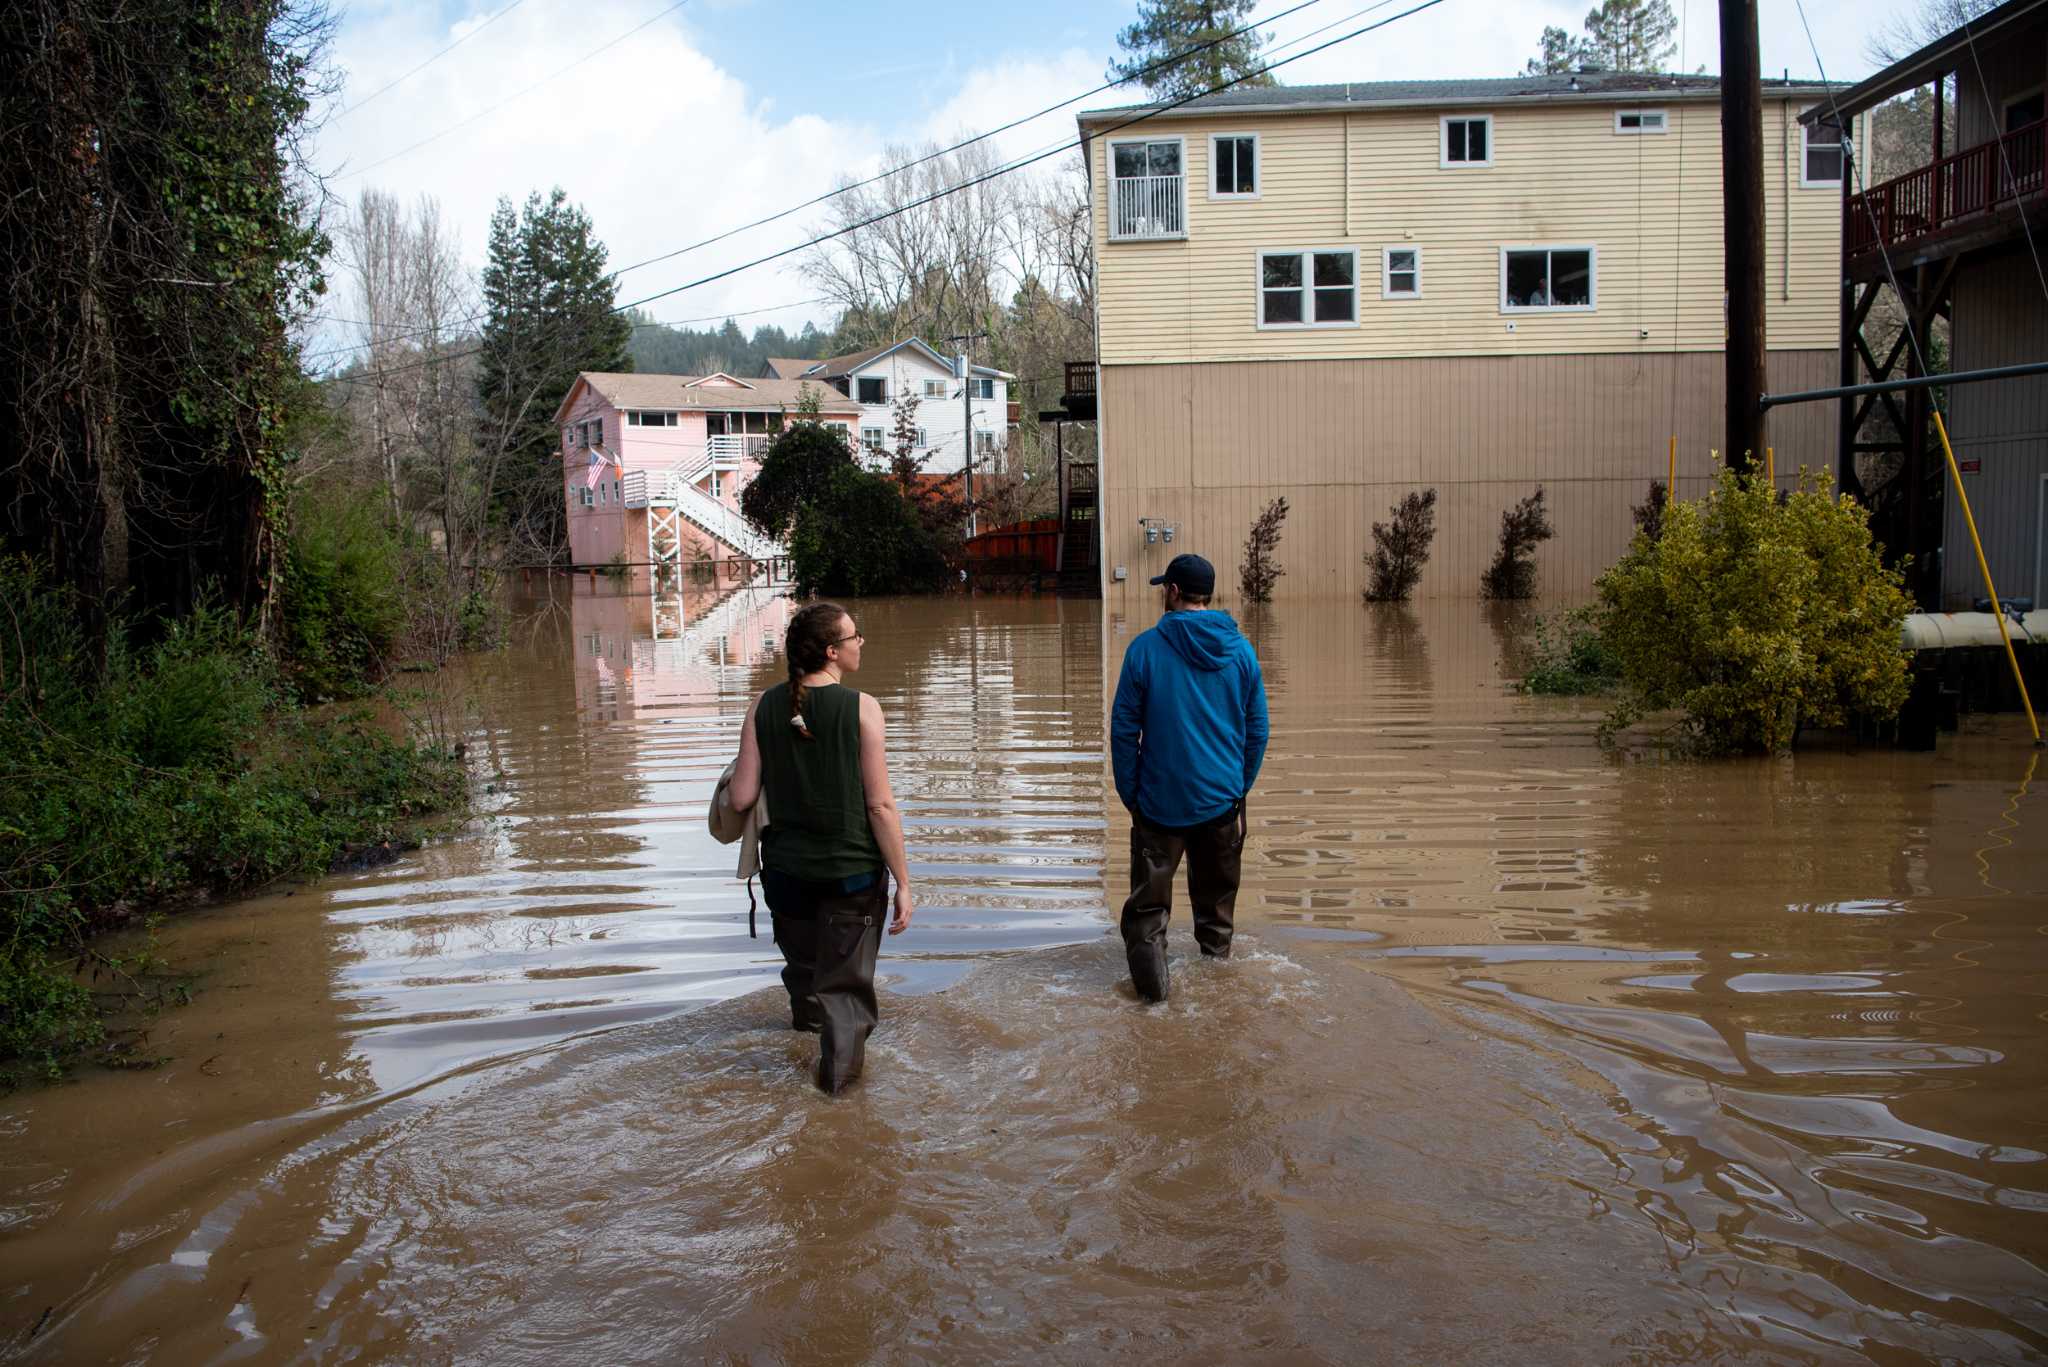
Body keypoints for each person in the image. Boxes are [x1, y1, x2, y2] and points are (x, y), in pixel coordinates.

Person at [727, 602, 913, 1092]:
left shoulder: (763, 706)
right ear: (833, 651)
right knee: (845, 998)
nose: (861, 643)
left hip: (786, 878)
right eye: (855, 637)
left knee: (808, 982)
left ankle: (799, 1073)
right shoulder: (862, 707)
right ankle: (837, 1108)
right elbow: (880, 808)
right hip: (850, 876)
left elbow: (742, 796)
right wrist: (905, 883)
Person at [1110, 553, 1269, 1003]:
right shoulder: (1241, 651)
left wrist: (1131, 793)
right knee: (1217, 913)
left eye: (1165, 587)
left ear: (1173, 592)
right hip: (1220, 803)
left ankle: (1154, 1007)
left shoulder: (1144, 649)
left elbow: (1124, 729)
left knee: (1147, 913)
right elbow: (1257, 729)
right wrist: (1239, 786)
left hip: (1159, 806)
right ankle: (1217, 996)